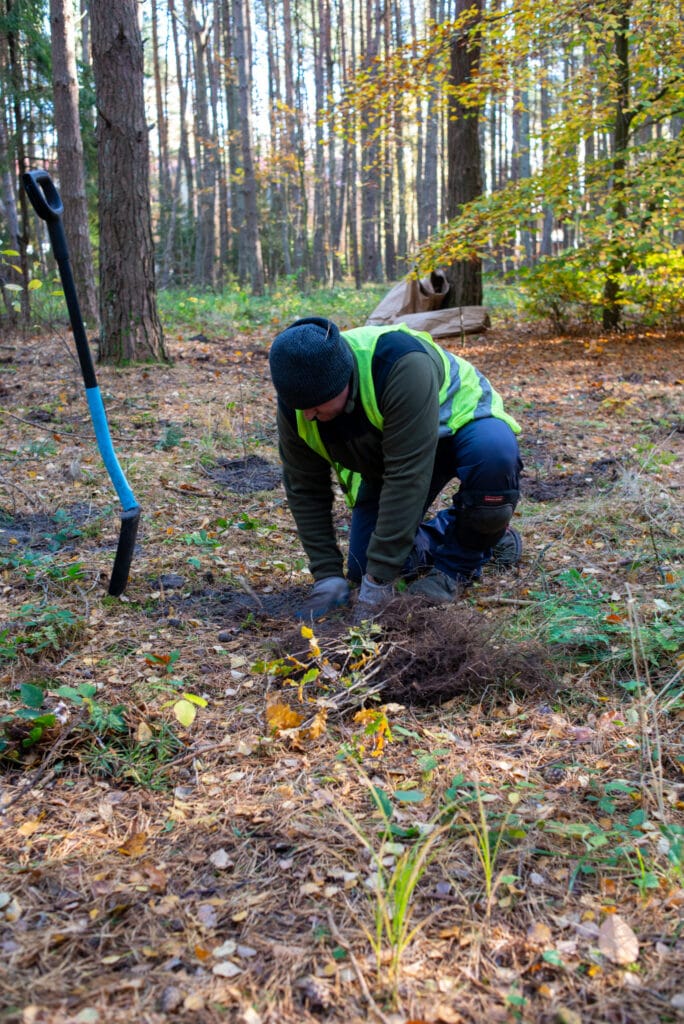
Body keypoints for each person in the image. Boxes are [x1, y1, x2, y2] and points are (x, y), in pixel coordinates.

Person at [268, 316, 523, 620]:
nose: (308, 415)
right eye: (300, 406)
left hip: (461, 426)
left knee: (494, 456)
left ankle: (458, 564)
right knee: (363, 564)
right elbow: (305, 488)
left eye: (316, 405)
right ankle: (476, 533)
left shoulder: (399, 363)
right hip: (393, 453)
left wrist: (378, 582)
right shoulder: (299, 404)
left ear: (341, 380)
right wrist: (328, 576)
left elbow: (406, 478)